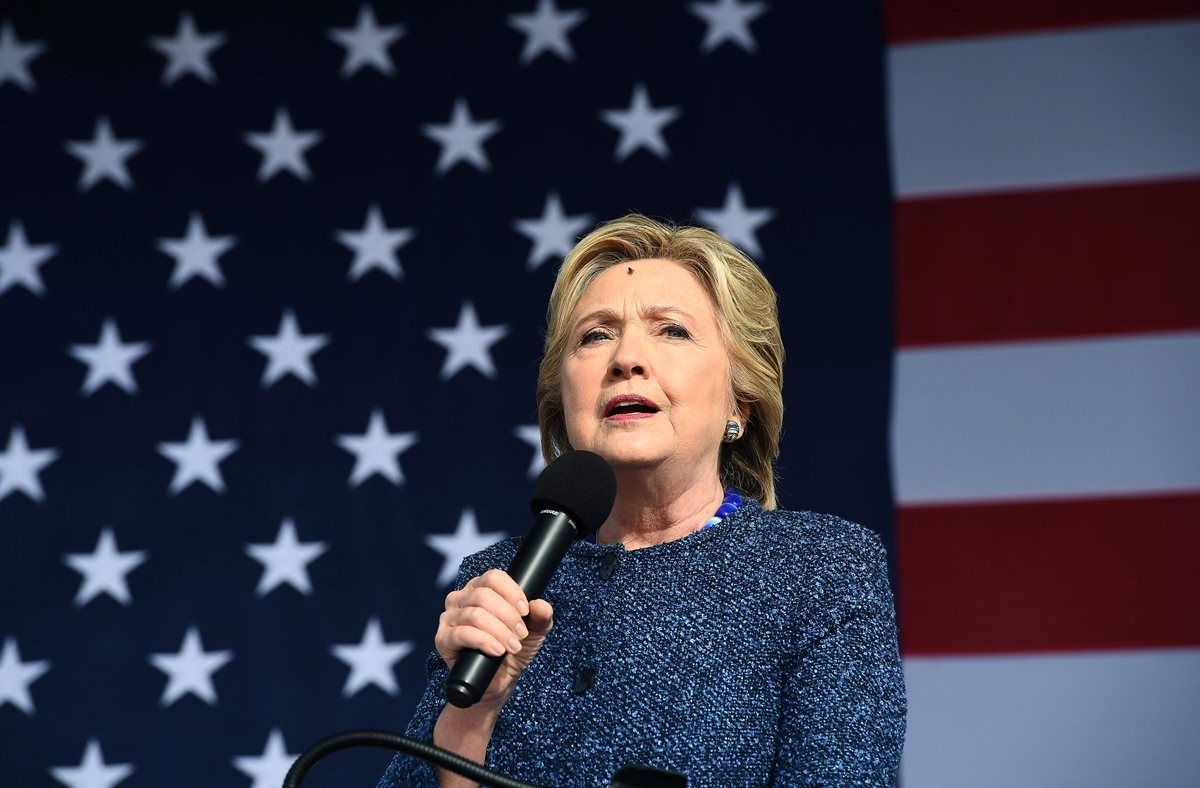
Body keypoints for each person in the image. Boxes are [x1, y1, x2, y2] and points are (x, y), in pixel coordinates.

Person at [378, 215, 906, 787]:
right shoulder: (500, 583)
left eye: (671, 330)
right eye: (594, 336)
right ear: (562, 398)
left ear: (740, 401)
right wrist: (469, 721)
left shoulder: (820, 570)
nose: (626, 358)